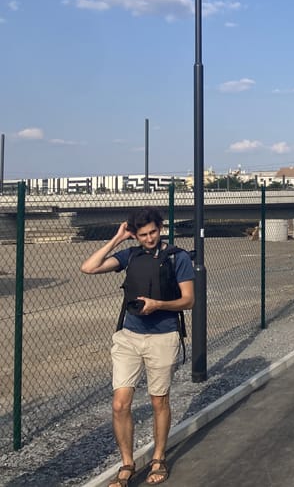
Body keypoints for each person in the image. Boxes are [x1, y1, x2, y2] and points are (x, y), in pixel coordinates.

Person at [80, 207, 196, 487]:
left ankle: (158, 457)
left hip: (163, 336)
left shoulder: (178, 257)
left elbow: (189, 300)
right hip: (129, 337)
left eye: (153, 232)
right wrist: (118, 238)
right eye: (142, 234)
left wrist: (158, 305)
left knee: (159, 400)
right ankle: (127, 463)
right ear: (136, 234)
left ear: (161, 228)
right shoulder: (130, 255)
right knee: (120, 404)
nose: (149, 238)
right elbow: (88, 267)